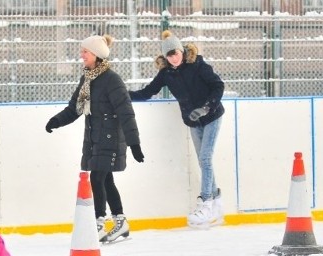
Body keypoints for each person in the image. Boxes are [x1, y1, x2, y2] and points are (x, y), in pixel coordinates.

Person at [45, 34, 144, 243]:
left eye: (85, 51)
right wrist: (56, 121)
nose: (81, 55)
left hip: (111, 137)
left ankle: (99, 222)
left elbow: (126, 112)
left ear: (97, 55)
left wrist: (134, 144)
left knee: (98, 178)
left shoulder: (112, 80)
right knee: (106, 179)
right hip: (95, 137)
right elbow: (75, 109)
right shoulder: (87, 79)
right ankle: (121, 222)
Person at [129, 30, 226, 229]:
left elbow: (218, 86)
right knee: (203, 160)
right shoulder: (166, 74)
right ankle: (217, 204)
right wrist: (123, 95)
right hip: (193, 122)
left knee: (206, 159)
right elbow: (148, 92)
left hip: (212, 116)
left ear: (182, 51)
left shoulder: (198, 65)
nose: (174, 58)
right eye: (169, 55)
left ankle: (206, 202)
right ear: (165, 57)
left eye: (176, 53)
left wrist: (206, 107)